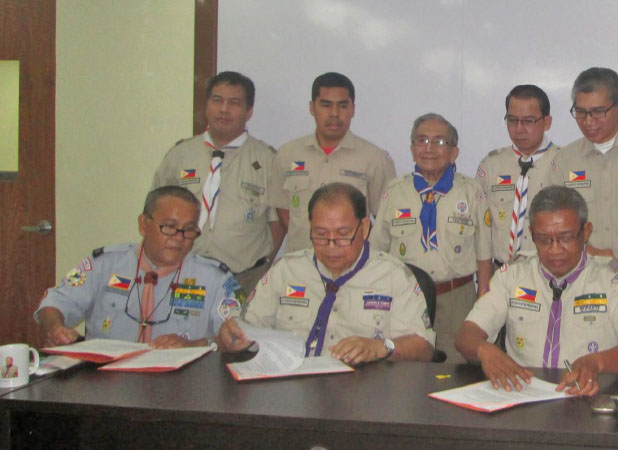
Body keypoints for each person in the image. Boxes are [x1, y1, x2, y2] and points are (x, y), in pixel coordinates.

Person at [455, 186, 618, 396]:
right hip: (523, 395)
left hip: (589, 395)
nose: (555, 249)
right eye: (544, 240)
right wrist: (484, 350)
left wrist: (596, 363)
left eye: (565, 238)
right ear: (531, 234)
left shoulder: (610, 278)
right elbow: (465, 336)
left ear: (586, 232)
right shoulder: (512, 275)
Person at [219, 183, 434, 364]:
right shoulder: (285, 270)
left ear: (364, 228)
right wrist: (233, 336)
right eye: (321, 234)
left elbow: (423, 347)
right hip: (292, 386)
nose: (331, 246)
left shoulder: (394, 276)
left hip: (362, 390)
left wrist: (381, 347)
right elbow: (248, 329)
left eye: (343, 234)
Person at [35, 187, 240, 348]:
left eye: (188, 230)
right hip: (107, 380)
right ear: (143, 225)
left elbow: (236, 337)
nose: (179, 238)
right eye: (169, 227)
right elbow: (54, 301)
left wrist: (192, 345)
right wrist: (56, 328)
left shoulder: (216, 278)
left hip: (182, 382)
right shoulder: (103, 264)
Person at [369, 113, 491, 363]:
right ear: (412, 149)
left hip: (457, 299)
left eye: (439, 142)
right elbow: (376, 251)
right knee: (405, 369)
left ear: (454, 152)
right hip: (405, 297)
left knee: (456, 370)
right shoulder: (394, 192)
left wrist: (483, 301)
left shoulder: (471, 192)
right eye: (422, 141)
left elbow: (484, 253)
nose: (429, 149)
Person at [152, 71, 281, 291]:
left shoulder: (268, 160)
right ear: (206, 106)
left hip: (244, 279)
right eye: (217, 100)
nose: (224, 109)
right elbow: (156, 211)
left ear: (249, 111)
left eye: (234, 103)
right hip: (182, 274)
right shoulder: (180, 155)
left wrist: (265, 264)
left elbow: (277, 222)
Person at [547, 67, 618, 304]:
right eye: (581, 112)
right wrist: (594, 253)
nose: (588, 121)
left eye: (598, 112)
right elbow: (550, 228)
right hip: (582, 291)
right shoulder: (564, 161)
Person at [267, 72, 396, 253]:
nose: (334, 113)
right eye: (326, 105)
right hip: (300, 261)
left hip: (353, 263)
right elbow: (283, 209)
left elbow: (385, 220)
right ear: (312, 108)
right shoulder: (287, 154)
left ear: (353, 109)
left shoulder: (375, 158)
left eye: (342, 105)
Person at [476, 85, 562, 269]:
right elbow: (481, 230)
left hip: (550, 272)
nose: (519, 128)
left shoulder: (565, 163)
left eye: (529, 121)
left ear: (547, 122)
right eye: (512, 120)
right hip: (501, 272)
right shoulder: (491, 165)